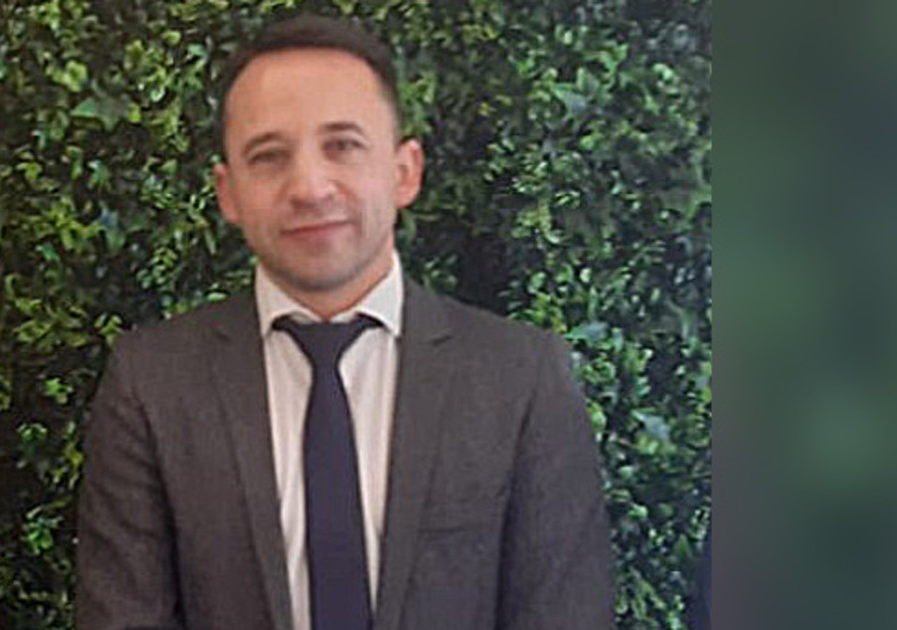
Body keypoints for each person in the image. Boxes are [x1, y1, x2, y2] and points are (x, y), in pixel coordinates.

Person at [77, 14, 613, 630]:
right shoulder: (153, 383)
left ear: (405, 170)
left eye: (343, 146)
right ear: (228, 193)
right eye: (268, 156)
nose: (309, 186)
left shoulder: (521, 378)